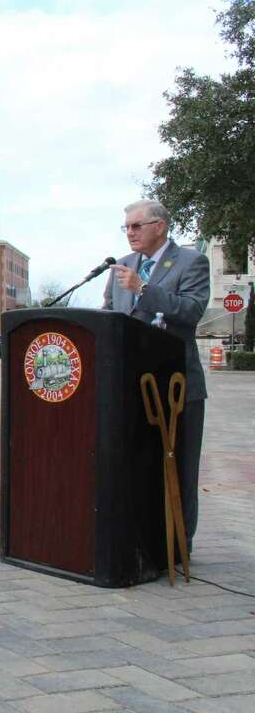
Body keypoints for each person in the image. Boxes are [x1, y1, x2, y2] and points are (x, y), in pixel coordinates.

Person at [103, 200, 210, 554]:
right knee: (136, 466)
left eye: (137, 226)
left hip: (176, 386)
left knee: (179, 469)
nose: (130, 233)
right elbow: (109, 318)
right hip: (130, 386)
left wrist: (144, 289)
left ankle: (178, 548)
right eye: (127, 227)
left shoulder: (191, 261)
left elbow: (191, 310)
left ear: (160, 226)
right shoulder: (121, 267)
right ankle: (140, 544)